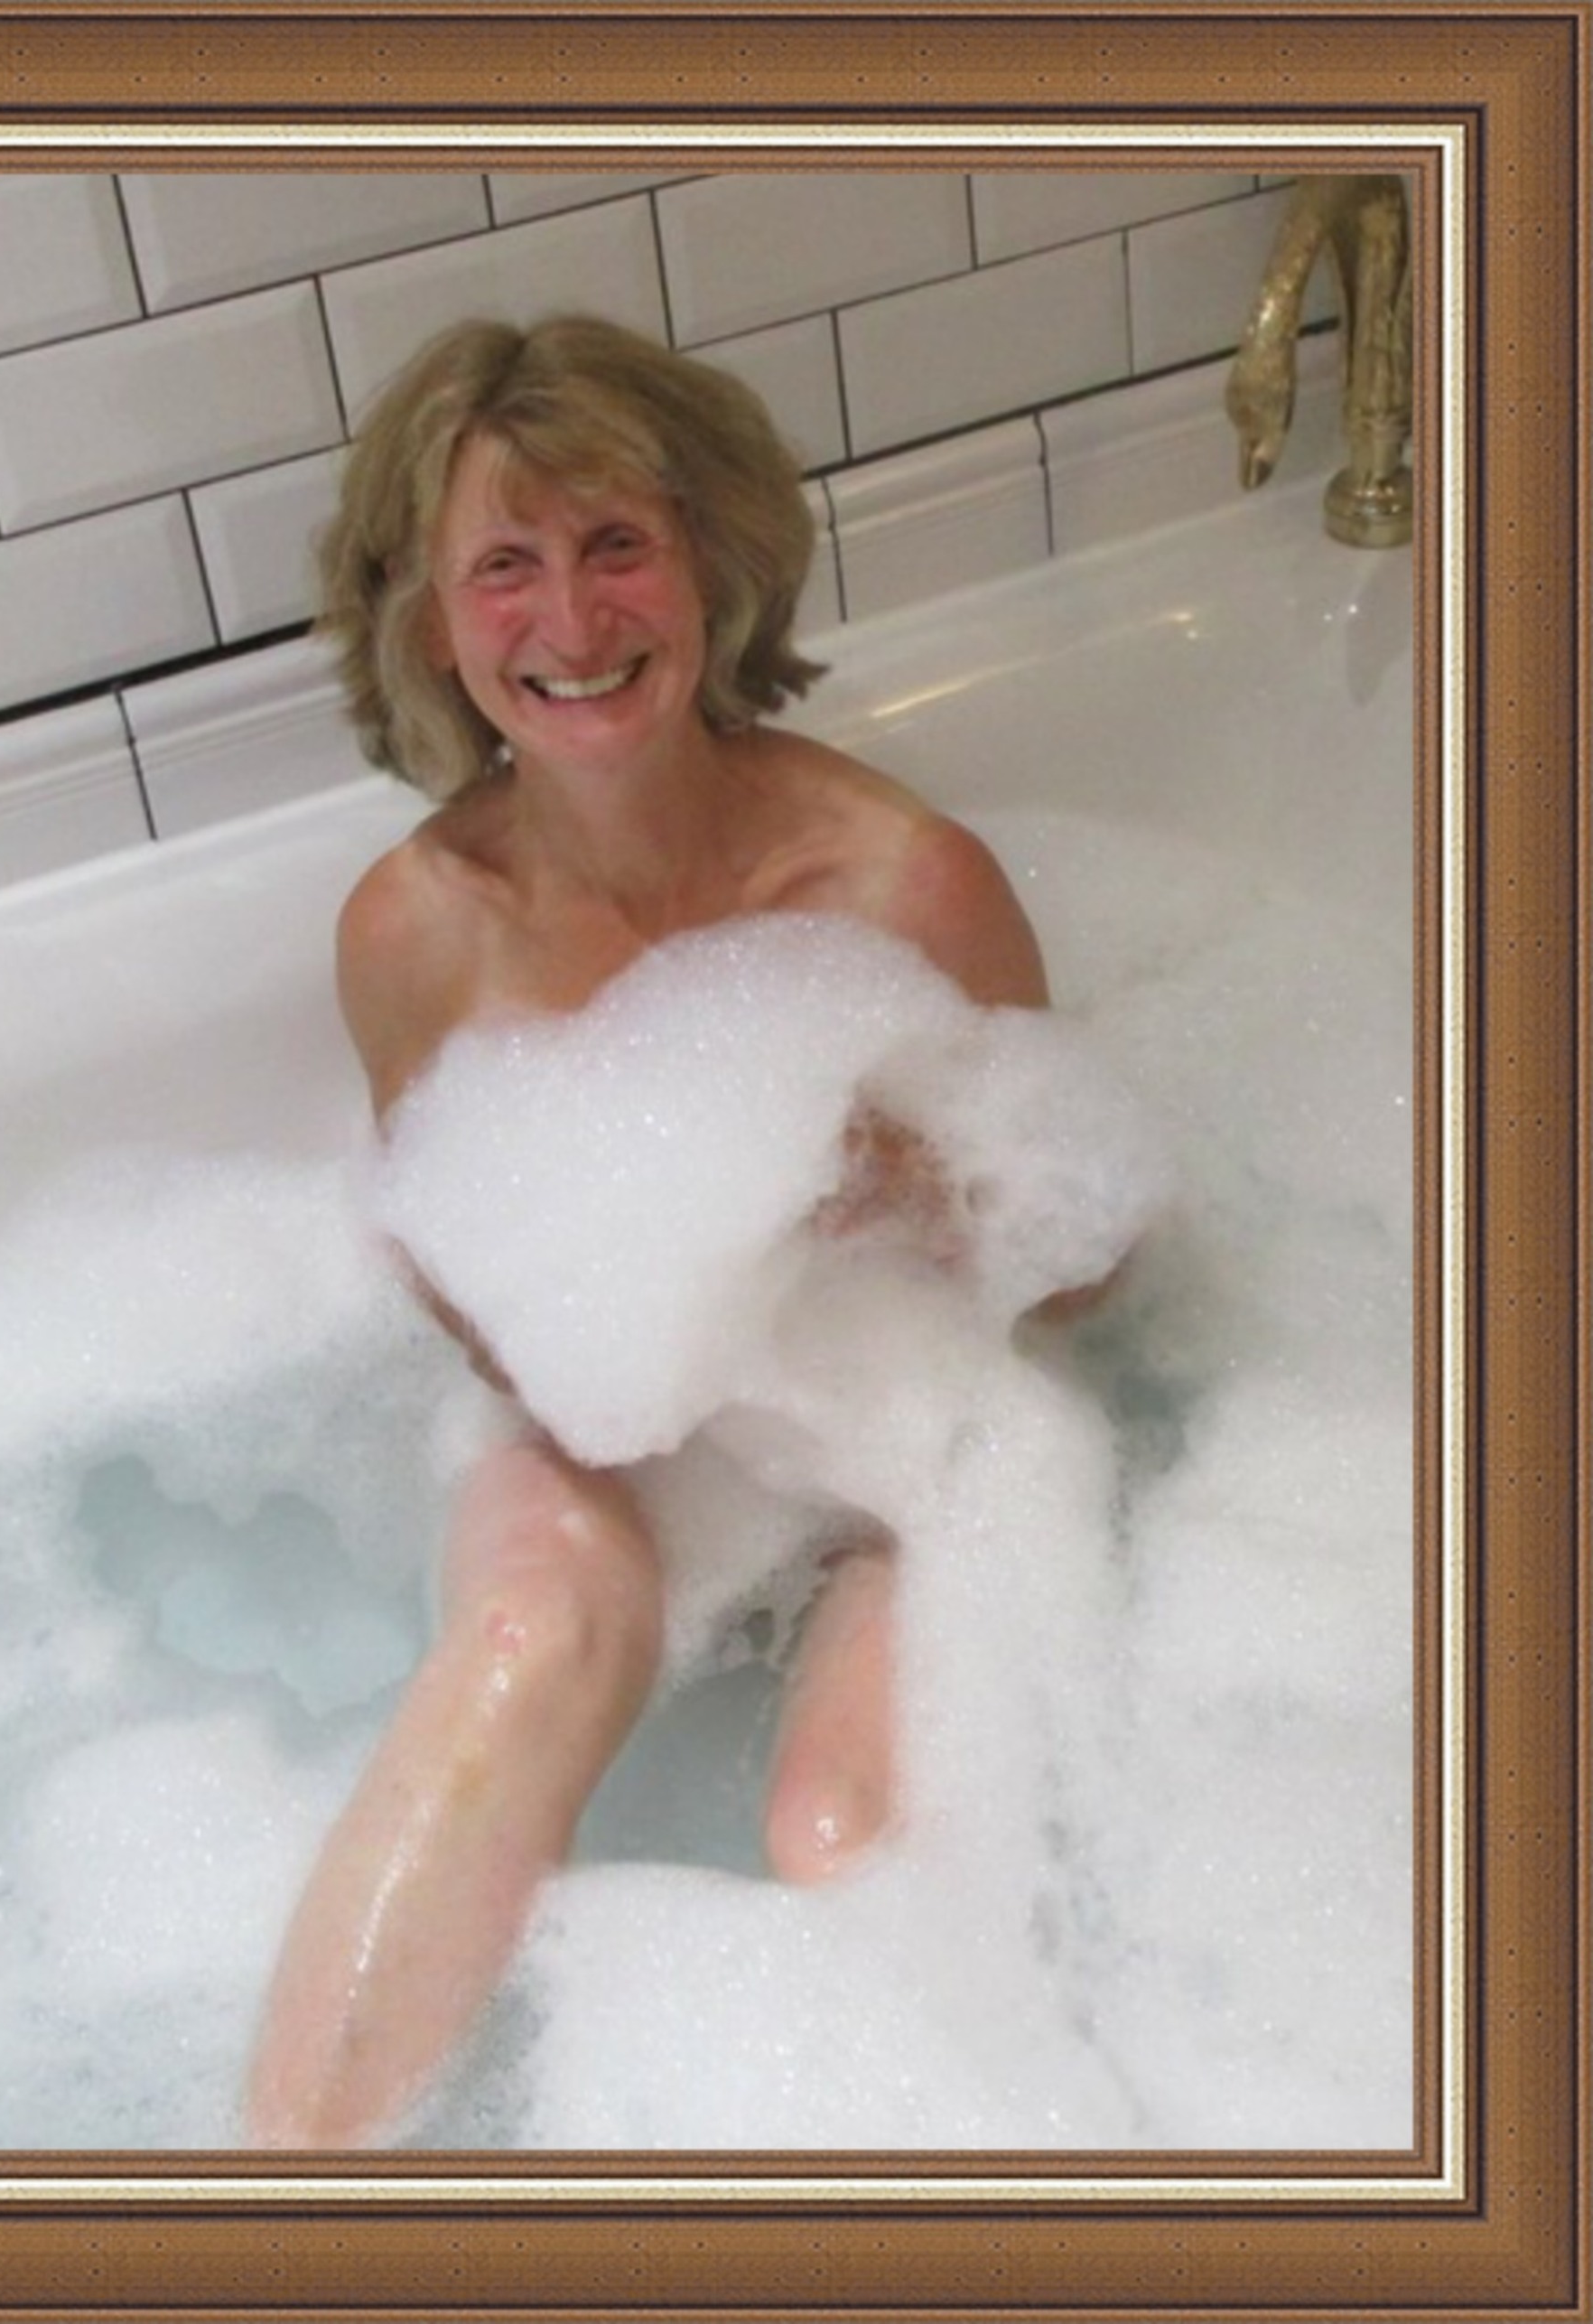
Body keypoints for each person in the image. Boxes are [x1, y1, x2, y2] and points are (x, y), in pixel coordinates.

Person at [242, 314, 1052, 2150]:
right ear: (429, 621)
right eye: (504, 567)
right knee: (531, 1632)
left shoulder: (902, 884)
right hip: (594, 1442)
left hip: (884, 1445)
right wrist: (567, 1321)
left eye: (617, 544)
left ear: (709, 564)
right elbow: (452, 1277)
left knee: (832, 1834)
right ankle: (269, 2206)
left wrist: (933, 1197)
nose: (572, 618)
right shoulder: (411, 930)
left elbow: (1083, 1275)